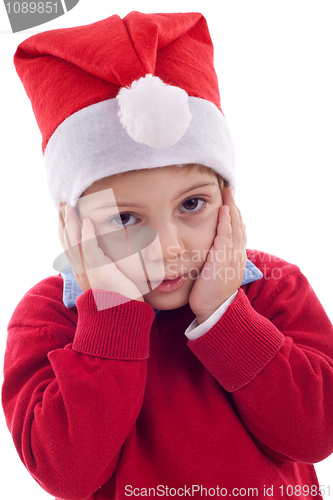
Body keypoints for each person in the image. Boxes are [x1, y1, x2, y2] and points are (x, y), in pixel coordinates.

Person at [2, 11, 333, 500]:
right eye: (125, 218)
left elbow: (314, 434)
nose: (168, 248)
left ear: (227, 199)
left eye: (192, 204)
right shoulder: (50, 316)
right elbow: (67, 474)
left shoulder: (274, 286)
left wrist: (225, 315)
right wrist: (111, 311)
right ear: (73, 226)